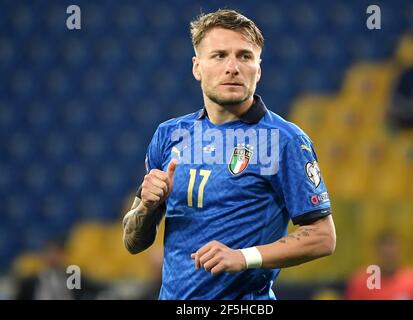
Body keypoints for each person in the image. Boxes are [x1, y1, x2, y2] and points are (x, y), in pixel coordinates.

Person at [122, 9, 336, 300]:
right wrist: (147, 207)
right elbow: (133, 242)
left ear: (258, 70)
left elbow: (323, 238)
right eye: (220, 55)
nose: (233, 67)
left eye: (245, 56)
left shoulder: (284, 139)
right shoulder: (169, 134)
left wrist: (244, 257)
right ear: (197, 67)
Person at [345, 231, 413, 300]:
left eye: (391, 252)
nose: (388, 255)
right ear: (376, 252)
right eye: (385, 253)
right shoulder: (360, 281)